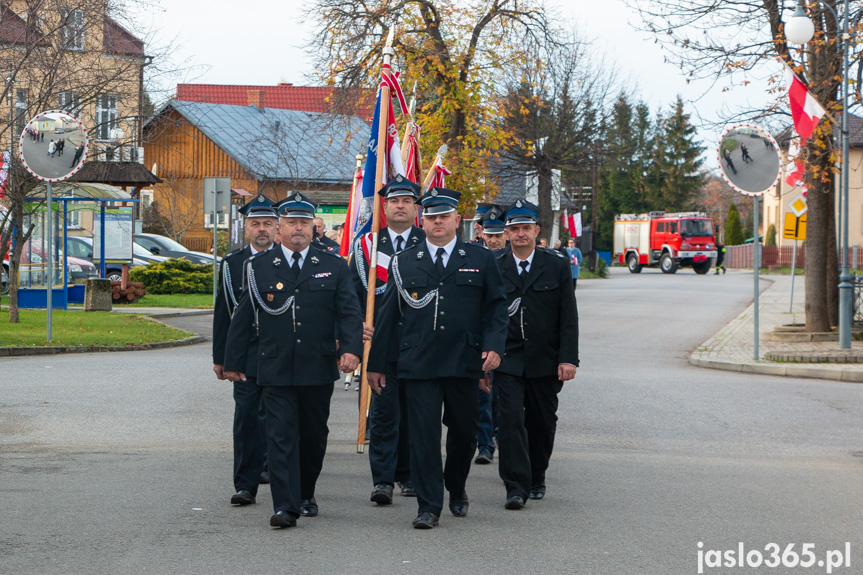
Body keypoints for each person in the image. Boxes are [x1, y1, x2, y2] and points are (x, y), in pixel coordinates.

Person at [367, 186, 508, 529]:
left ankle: (456, 486)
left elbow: (496, 307)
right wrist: (377, 364)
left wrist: (494, 346)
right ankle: (429, 506)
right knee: (423, 435)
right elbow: (389, 315)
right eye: (431, 217)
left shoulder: (479, 258)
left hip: (464, 360)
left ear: (457, 220)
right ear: (422, 220)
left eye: (444, 216)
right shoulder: (404, 261)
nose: (437, 222)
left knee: (464, 432)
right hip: (418, 362)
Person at [223, 191, 363, 529]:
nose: (297, 228)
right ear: (279, 228)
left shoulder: (332, 266)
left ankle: (305, 493)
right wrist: (232, 360)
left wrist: (351, 349)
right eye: (290, 222)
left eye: (303, 222)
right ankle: (285, 506)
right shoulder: (257, 267)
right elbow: (243, 317)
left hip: (317, 365)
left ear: (313, 228)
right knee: (280, 435)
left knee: (313, 436)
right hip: (275, 365)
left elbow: (348, 311)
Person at [495, 199, 579, 509]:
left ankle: (536, 475)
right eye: (514, 229)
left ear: (536, 230)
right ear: (506, 233)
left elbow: (568, 316)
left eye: (525, 229)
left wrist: (568, 358)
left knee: (543, 421)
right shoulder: (495, 264)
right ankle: (515, 486)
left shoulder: (555, 264)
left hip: (545, 359)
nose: (520, 234)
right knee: (510, 419)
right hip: (507, 358)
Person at [349, 174, 425, 505]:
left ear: (415, 207)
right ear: (385, 205)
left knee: (415, 412)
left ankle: (407, 474)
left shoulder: (428, 241)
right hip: (382, 342)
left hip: (421, 342)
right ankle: (383, 480)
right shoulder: (367, 245)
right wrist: (355, 334)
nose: (400, 206)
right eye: (394, 201)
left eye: (406, 201)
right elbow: (353, 296)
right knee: (382, 413)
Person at [212, 194, 277, 507]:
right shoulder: (232, 264)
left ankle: (282, 478)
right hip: (247, 353)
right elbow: (224, 311)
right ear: (246, 227)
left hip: (280, 352)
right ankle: (245, 485)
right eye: (255, 224)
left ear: (276, 227)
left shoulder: (286, 259)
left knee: (279, 417)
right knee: (247, 418)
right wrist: (220, 358)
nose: (261, 229)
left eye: (267, 223)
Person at [473, 204, 507, 465]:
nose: (494, 239)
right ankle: (485, 444)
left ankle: (502, 438)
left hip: (510, 341)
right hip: (482, 337)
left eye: (498, 234)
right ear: (482, 233)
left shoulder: (512, 260)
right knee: (483, 394)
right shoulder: (473, 258)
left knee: (503, 397)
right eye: (489, 234)